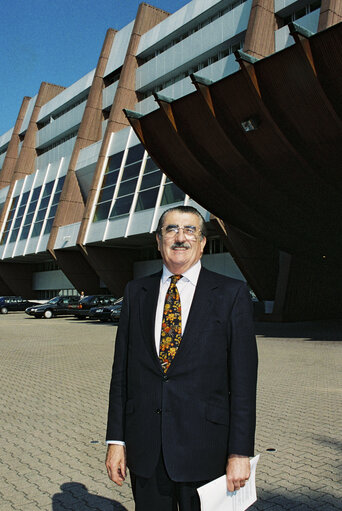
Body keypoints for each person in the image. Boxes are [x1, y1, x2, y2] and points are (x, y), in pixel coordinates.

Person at [105, 205, 258, 511]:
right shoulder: (136, 292)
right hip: (146, 451)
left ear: (202, 242)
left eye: (190, 230)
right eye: (171, 229)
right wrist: (116, 441)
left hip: (207, 451)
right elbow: (121, 373)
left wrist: (240, 453)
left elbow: (243, 383)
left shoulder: (232, 294)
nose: (180, 237)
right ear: (159, 241)